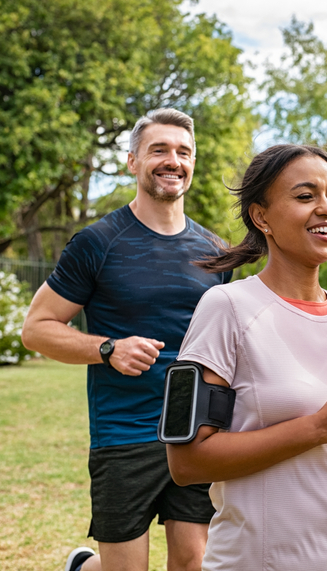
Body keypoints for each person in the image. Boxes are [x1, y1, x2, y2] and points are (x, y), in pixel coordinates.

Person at [164, 144, 327, 571]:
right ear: (261, 216)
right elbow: (187, 463)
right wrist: (318, 427)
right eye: (306, 197)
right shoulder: (226, 307)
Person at [21, 109, 231, 571]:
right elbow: (36, 328)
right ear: (133, 161)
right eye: (159, 150)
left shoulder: (216, 253)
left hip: (195, 429)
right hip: (124, 432)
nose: (172, 161)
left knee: (194, 562)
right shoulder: (97, 243)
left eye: (183, 152)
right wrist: (108, 349)